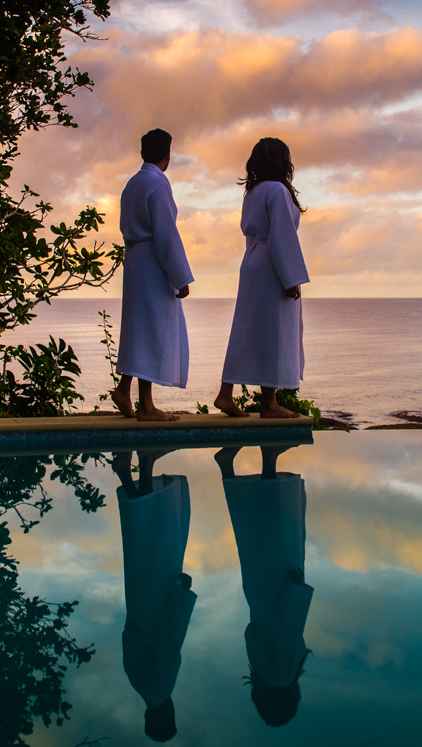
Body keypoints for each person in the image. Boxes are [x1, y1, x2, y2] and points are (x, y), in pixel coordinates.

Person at [215, 444, 313, 727]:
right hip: (258, 599)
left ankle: (269, 456)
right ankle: (226, 466)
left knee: (276, 530)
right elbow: (253, 634)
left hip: (278, 598)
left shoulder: (282, 677)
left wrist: (295, 591)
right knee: (253, 534)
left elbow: (287, 633)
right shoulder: (259, 671)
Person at [214, 137, 309, 419]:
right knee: (273, 331)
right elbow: (282, 236)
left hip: (253, 261)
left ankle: (226, 393)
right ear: (282, 162)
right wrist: (290, 277)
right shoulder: (278, 191)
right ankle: (269, 403)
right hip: (271, 264)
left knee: (247, 328)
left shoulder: (253, 192)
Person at [112, 449, 196, 743]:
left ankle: (146, 465)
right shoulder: (136, 682)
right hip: (137, 605)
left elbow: (170, 640)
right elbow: (127, 638)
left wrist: (182, 596)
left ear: (167, 714)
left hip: (156, 606)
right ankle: (126, 470)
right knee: (142, 539)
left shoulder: (161, 688)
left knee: (156, 534)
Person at [111, 128, 194, 422]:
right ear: (167, 154)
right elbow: (165, 233)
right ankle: (145, 405)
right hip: (153, 262)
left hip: (135, 260)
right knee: (152, 330)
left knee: (138, 329)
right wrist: (180, 276)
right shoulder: (157, 184)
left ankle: (124, 389)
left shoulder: (133, 184)